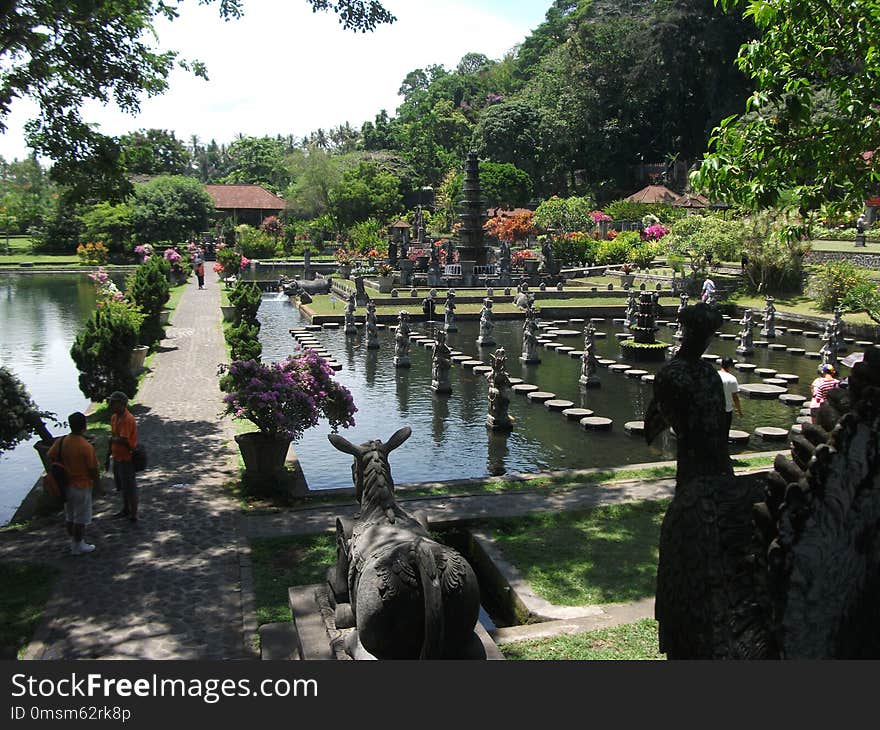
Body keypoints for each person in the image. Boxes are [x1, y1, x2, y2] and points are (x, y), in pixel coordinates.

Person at [47, 412, 100, 555]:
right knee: (80, 518)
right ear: (84, 426)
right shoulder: (85, 446)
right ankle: (78, 545)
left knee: (70, 516)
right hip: (81, 485)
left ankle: (73, 542)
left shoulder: (61, 441)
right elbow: (93, 469)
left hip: (64, 485)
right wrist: (99, 486)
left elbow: (50, 456)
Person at [108, 391, 139, 523]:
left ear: (121, 404)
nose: (110, 404)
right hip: (117, 456)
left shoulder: (127, 419)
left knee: (130, 487)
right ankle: (125, 509)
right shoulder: (114, 417)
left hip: (126, 458)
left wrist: (112, 439)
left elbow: (124, 439)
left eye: (113, 402)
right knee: (122, 486)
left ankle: (133, 514)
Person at [718, 357, 743, 433]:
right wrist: (739, 411)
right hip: (726, 410)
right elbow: (735, 398)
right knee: (725, 433)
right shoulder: (732, 379)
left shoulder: (714, 375)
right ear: (730, 366)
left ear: (721, 364)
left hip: (714, 409)